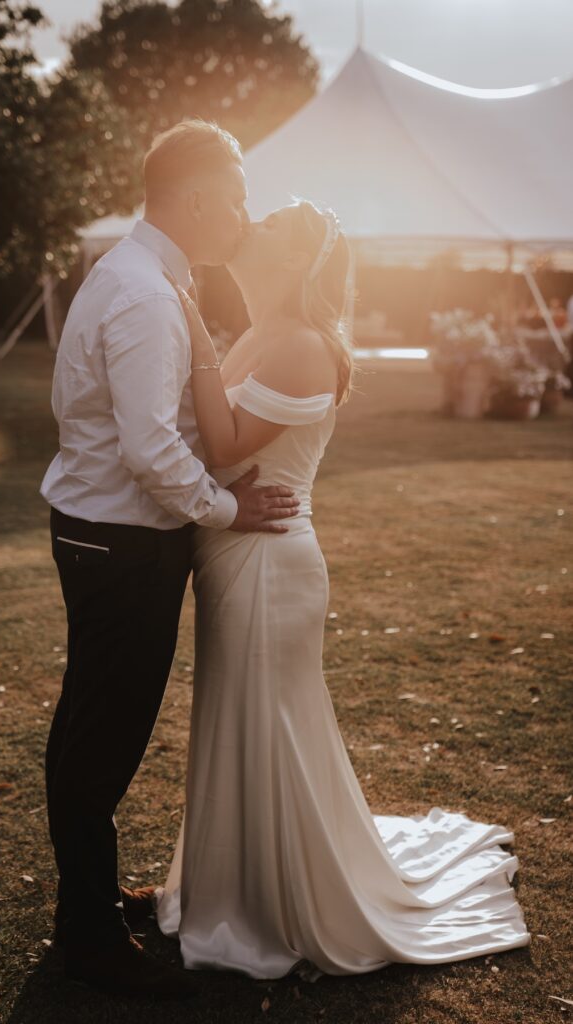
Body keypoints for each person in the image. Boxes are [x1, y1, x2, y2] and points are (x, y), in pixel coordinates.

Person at [154, 199, 531, 980]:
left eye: (263, 228)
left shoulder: (298, 347)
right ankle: (233, 885)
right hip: (237, 551)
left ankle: (272, 902)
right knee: (243, 717)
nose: (244, 228)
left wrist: (189, 328)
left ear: (292, 262)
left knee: (269, 723)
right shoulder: (263, 333)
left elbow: (223, 443)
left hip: (269, 562)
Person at [39, 120, 301, 1000]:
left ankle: (87, 901)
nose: (241, 214)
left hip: (100, 531)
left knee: (87, 721)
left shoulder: (136, 273)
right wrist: (228, 508)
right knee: (102, 739)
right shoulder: (145, 294)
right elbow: (152, 450)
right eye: (233, 197)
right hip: (122, 542)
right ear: (192, 200)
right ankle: (88, 938)